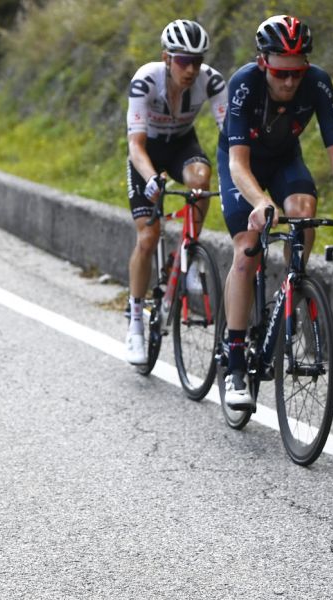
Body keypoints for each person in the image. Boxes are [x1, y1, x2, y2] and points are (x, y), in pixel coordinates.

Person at [218, 15, 333, 410]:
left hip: (283, 160)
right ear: (263, 63)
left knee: (304, 210)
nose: (290, 82)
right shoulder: (244, 84)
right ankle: (236, 359)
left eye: (298, 72)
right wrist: (260, 201)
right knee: (247, 248)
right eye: (281, 73)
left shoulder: (317, 82)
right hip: (241, 163)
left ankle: (292, 289)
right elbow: (238, 163)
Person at [124, 20, 227, 364]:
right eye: (184, 61)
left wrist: (235, 179)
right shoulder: (145, 80)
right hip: (148, 151)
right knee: (147, 237)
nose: (191, 69)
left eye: (197, 61)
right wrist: (151, 177)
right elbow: (135, 145)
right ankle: (135, 322)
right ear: (166, 58)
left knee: (201, 178)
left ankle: (190, 254)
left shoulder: (211, 80)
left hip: (182, 144)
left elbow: (230, 137)